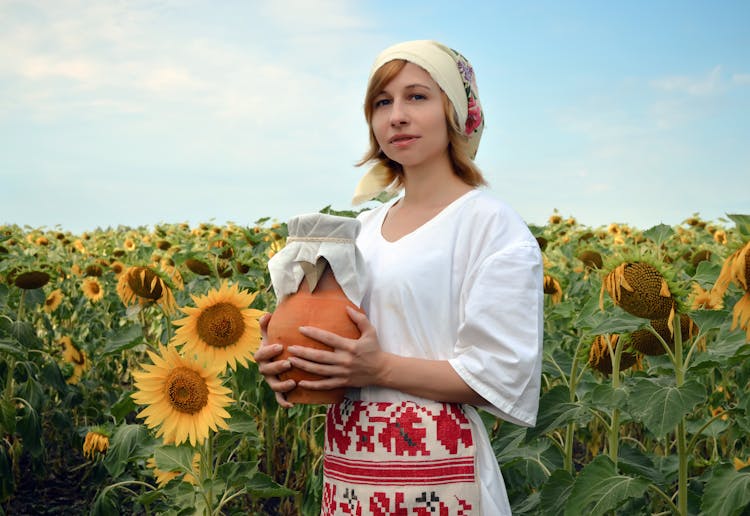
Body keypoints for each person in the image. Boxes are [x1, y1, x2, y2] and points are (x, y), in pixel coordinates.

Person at [254, 39, 543, 515]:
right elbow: (341, 348)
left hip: (442, 472)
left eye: (417, 97)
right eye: (382, 103)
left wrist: (379, 369)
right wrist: (295, 362)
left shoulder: (489, 224)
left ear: (456, 112)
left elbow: (502, 371)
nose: (397, 116)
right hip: (352, 473)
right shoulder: (360, 231)